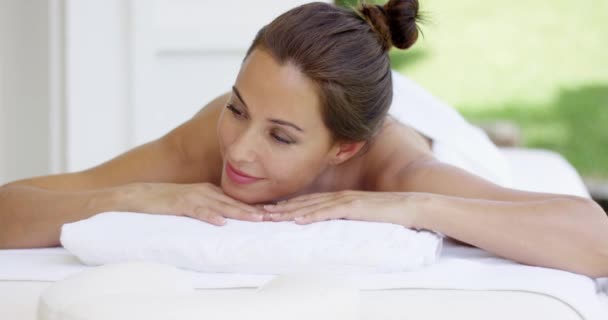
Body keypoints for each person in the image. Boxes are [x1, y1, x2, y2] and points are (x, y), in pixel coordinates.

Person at [1, 0, 607, 277]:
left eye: (280, 138)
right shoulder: (214, 138)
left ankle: (496, 138)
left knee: (495, 157)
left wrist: (420, 208)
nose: (238, 150)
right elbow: (10, 207)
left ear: (343, 148)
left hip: (428, 130)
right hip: (345, 103)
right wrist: (135, 194)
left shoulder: (401, 173)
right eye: (238, 108)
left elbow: (595, 238)